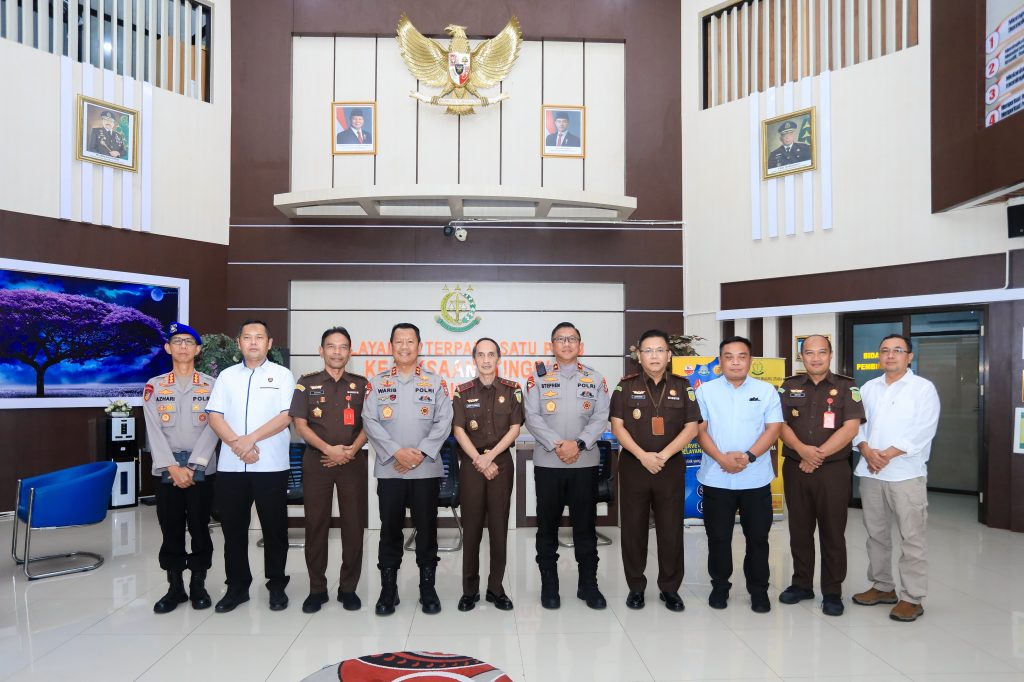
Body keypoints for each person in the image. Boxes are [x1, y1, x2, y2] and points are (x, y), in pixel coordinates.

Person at [361, 322, 453, 616]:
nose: (404, 346)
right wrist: (396, 452)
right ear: (391, 347)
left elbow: (444, 421)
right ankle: (389, 590)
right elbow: (369, 421)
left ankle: (428, 589)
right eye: (399, 341)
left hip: (425, 470)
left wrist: (419, 454)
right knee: (390, 530)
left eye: (410, 341)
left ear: (419, 346)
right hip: (391, 470)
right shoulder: (377, 383)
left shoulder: (435, 382)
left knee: (427, 531)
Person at [206, 319, 295, 613]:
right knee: (233, 530)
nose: (253, 342)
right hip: (232, 466)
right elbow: (215, 415)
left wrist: (250, 439)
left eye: (259, 337)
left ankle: (277, 585)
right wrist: (238, 444)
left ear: (269, 343)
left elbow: (286, 415)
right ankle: (237, 587)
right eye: (247, 337)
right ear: (239, 342)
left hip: (271, 465)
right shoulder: (226, 377)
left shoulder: (282, 375)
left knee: (274, 529)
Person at [610, 329, 701, 612]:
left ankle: (670, 588)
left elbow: (692, 427)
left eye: (660, 350)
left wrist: (663, 455)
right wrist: (643, 456)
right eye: (648, 350)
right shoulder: (625, 387)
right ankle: (636, 587)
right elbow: (617, 427)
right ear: (639, 356)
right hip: (634, 466)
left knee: (671, 529)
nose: (654, 356)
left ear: (669, 355)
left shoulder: (683, 386)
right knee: (633, 530)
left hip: (669, 466)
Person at [851, 333, 940, 622]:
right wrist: (866, 450)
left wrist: (886, 454)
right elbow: (856, 425)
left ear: (909, 356)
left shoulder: (923, 389)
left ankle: (912, 597)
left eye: (898, 350)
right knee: (876, 535)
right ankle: (882, 586)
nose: (890, 355)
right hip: (871, 473)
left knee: (912, 538)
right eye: (885, 350)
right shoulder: (868, 388)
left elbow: (923, 430)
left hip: (906, 474)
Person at [523, 322, 611, 610]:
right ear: (552, 346)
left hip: (584, 464)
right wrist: (559, 445)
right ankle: (550, 585)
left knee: (585, 527)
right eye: (560, 339)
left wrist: (579, 444)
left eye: (572, 339)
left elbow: (601, 417)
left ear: (580, 346)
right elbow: (531, 416)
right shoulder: (537, 379)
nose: (566, 343)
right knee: (547, 527)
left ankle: (588, 584)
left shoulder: (594, 378)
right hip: (549, 464)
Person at [777, 334, 864, 617]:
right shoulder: (788, 386)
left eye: (822, 352)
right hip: (796, 468)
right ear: (801, 356)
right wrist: (803, 451)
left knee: (833, 532)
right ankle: (801, 584)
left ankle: (832, 591)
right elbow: (779, 424)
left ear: (831, 354)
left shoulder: (847, 386)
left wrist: (817, 456)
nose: (815, 358)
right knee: (799, 530)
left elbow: (851, 428)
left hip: (833, 471)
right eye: (809, 353)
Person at [694, 335, 783, 613]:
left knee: (758, 538)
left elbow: (773, 428)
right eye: (729, 357)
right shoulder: (705, 391)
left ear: (750, 360)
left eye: (741, 356)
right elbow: (700, 430)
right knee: (718, 538)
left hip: (755, 478)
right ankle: (720, 587)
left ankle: (759, 590)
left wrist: (748, 456)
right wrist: (722, 458)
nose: (735, 362)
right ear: (720, 362)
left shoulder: (766, 391)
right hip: (716, 477)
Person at [290, 327, 369, 614]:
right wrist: (329, 450)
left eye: (343, 347)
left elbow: (370, 424)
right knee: (316, 525)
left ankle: (348, 588)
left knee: (354, 527)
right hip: (317, 462)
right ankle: (317, 589)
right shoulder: (306, 383)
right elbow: (300, 425)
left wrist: (350, 450)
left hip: (352, 462)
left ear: (350, 352)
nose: (337, 352)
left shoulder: (362, 385)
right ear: (321, 350)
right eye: (331, 346)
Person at [143, 322, 218, 614]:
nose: (183, 346)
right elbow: (153, 431)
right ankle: (175, 587)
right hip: (167, 470)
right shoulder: (155, 386)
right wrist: (173, 468)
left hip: (202, 469)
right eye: (177, 341)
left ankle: (198, 584)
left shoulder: (212, 385)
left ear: (198, 349)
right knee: (170, 528)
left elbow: (214, 427)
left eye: (189, 342)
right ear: (168, 348)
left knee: (200, 528)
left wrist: (194, 465)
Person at [451, 338, 523, 612]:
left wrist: (490, 457)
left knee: (498, 528)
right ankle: (469, 590)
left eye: (491, 354)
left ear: (498, 358)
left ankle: (496, 588)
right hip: (472, 463)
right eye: (480, 355)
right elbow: (458, 430)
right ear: (474, 359)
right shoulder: (462, 392)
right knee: (471, 529)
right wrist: (480, 460)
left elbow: (515, 429)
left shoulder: (512, 390)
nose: (486, 360)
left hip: (501, 463)